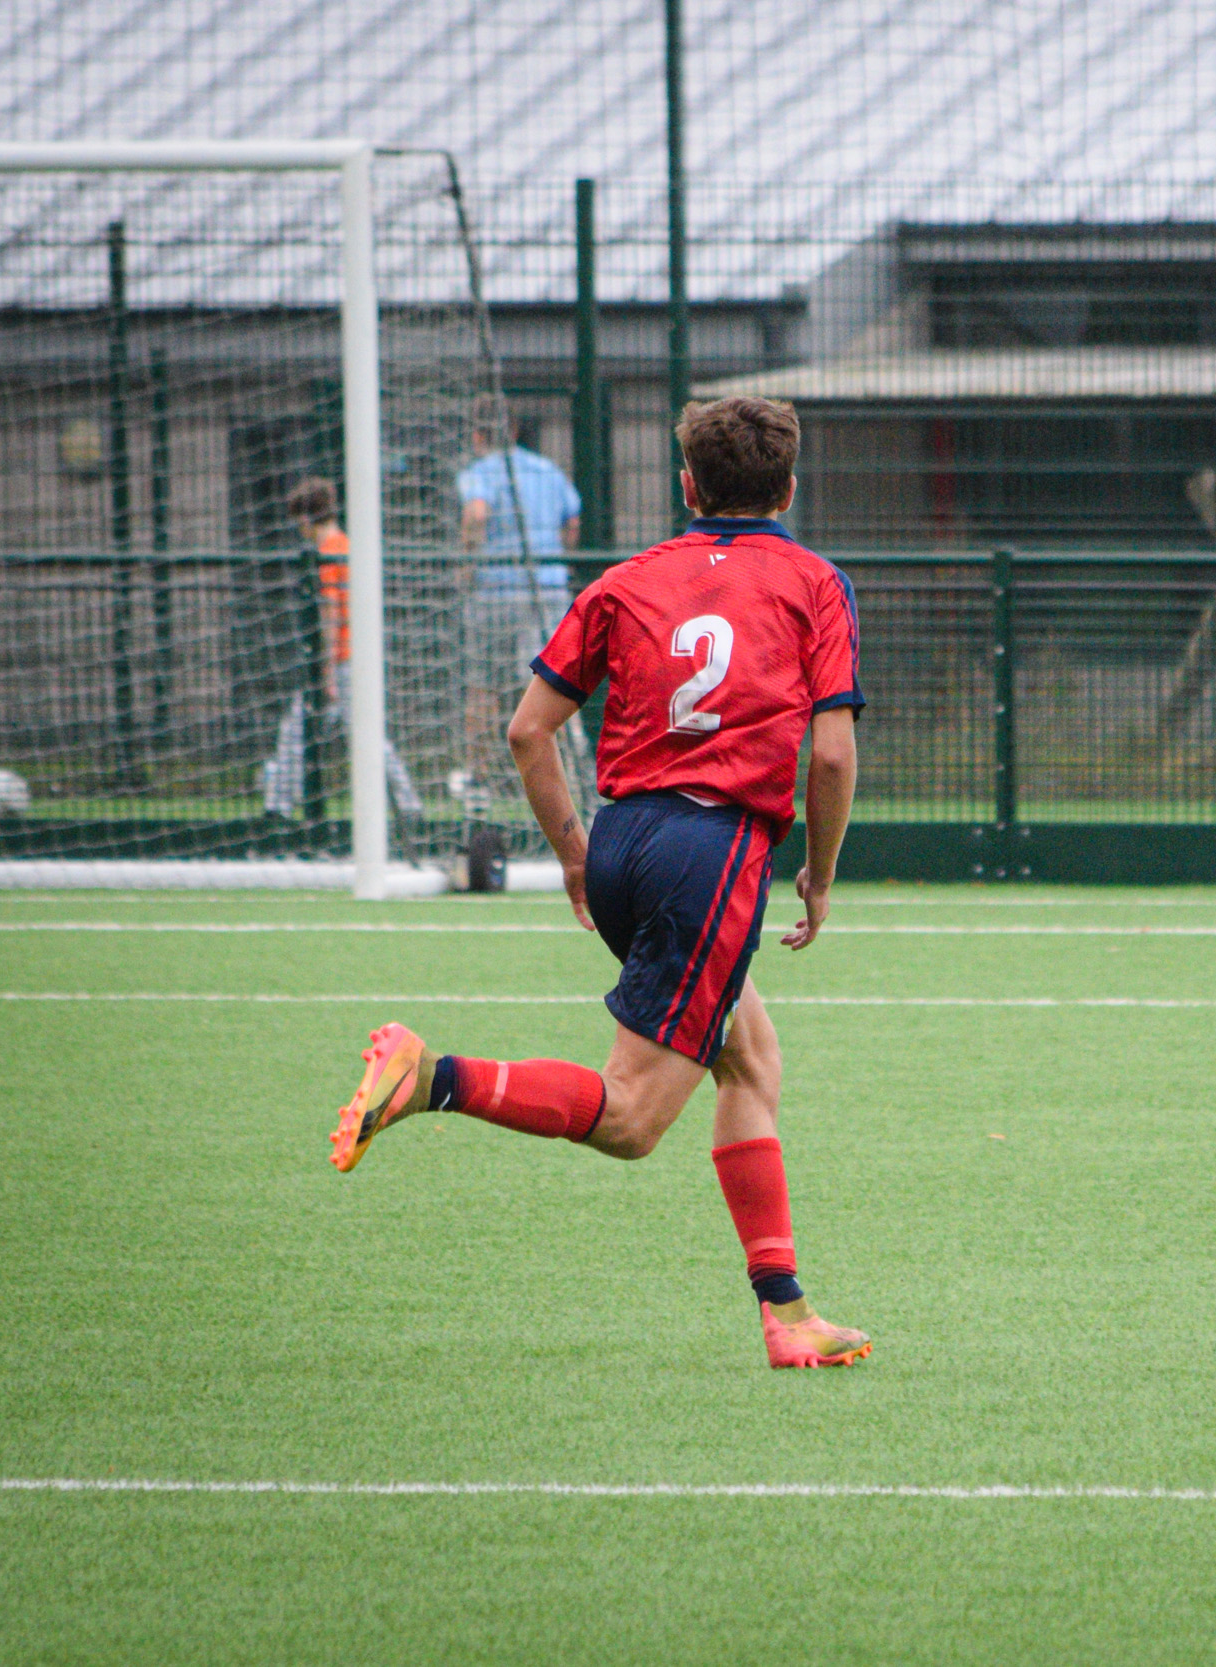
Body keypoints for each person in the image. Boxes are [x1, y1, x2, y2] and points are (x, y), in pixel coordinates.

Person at [331, 396, 873, 1369]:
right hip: (711, 856)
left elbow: (526, 729)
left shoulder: (627, 580)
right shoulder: (812, 581)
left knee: (748, 1059)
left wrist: (577, 853)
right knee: (630, 1119)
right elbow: (831, 756)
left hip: (623, 837)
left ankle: (787, 1312)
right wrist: (821, 877)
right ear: (788, 490)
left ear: (686, 487)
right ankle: (432, 1076)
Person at [262, 478, 421, 818]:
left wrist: (327, 670)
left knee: (301, 733)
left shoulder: (328, 553)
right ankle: (408, 805)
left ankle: (278, 808)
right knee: (343, 735)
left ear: (304, 520)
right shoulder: (348, 544)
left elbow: (331, 614)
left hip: (341, 663)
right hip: (355, 659)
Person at [456, 406, 582, 795]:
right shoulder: (547, 470)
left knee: (484, 686)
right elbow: (572, 523)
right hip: (546, 590)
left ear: (479, 436)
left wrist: (467, 562)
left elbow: (476, 514)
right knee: (550, 684)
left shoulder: (480, 472)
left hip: (496, 590)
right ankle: (573, 770)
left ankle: (479, 777)